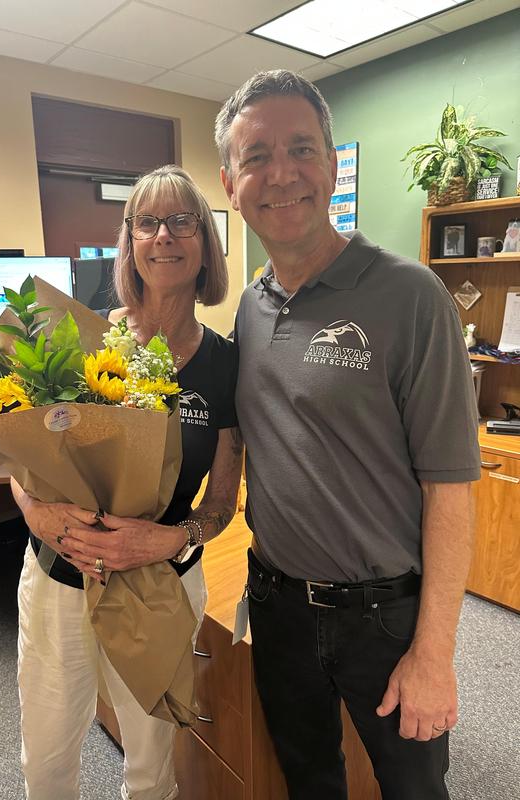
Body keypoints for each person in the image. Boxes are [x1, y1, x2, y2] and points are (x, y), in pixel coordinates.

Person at [215, 70, 480, 800]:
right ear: (230, 184)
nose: (281, 174)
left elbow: (451, 491)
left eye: (301, 149)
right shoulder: (250, 308)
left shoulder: (411, 296)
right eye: (256, 156)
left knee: (414, 790)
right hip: (277, 608)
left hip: (384, 618)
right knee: (310, 783)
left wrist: (435, 653)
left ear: (332, 165)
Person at [11, 164, 243, 800]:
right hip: (61, 578)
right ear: (130, 241)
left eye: (182, 221)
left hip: (161, 588)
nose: (164, 235)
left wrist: (170, 539)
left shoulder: (226, 363)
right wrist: (36, 514)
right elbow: (23, 457)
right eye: (148, 222)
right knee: (47, 760)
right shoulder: (79, 339)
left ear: (206, 244)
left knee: (151, 767)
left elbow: (223, 502)